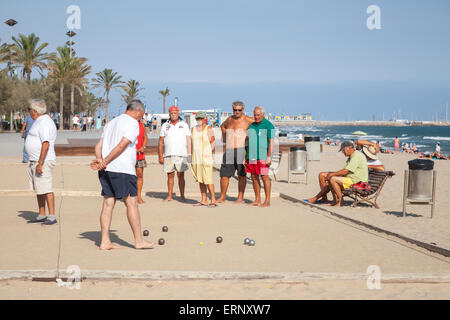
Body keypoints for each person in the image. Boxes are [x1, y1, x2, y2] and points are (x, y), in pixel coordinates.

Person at [91, 100, 154, 250]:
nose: (141, 118)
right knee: (131, 203)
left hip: (106, 169)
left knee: (108, 203)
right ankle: (139, 240)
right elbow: (122, 145)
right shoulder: (132, 123)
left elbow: (98, 145)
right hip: (122, 169)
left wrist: (101, 161)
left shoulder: (111, 122)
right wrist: (104, 160)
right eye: (142, 115)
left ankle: (105, 241)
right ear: (138, 111)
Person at [25, 99, 58, 225]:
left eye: (29, 110)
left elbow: (46, 144)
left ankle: (52, 216)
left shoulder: (44, 122)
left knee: (46, 188)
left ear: (34, 111)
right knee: (39, 188)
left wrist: (40, 163)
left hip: (43, 161)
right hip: (35, 160)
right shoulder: (40, 121)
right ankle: (42, 214)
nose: (29, 112)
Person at [308, 141, 368, 207]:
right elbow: (346, 171)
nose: (342, 152)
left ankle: (339, 200)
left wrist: (332, 174)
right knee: (322, 175)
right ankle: (325, 199)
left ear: (349, 148)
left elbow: (346, 171)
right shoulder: (352, 156)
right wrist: (332, 174)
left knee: (332, 178)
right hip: (351, 178)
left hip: (358, 182)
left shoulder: (356, 156)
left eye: (343, 150)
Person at [217, 101, 254, 203]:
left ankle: (240, 198)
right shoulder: (230, 119)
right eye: (235, 110)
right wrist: (225, 136)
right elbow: (222, 126)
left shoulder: (248, 119)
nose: (237, 111)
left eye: (239, 110)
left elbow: (260, 125)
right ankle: (222, 196)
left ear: (243, 110)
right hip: (229, 150)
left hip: (242, 150)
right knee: (224, 175)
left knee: (241, 175)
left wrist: (250, 138)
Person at [158, 106, 191, 202]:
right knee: (170, 175)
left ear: (178, 113)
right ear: (169, 114)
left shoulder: (184, 124)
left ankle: (182, 196)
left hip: (182, 154)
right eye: (171, 113)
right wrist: (160, 156)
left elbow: (189, 140)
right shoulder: (165, 125)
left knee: (181, 175)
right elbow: (160, 141)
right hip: (168, 154)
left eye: (175, 113)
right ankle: (169, 196)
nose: (173, 115)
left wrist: (190, 154)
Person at [246, 106, 275, 207]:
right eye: (255, 115)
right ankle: (257, 199)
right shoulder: (252, 125)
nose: (256, 117)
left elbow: (271, 142)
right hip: (252, 156)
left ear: (263, 114)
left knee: (264, 177)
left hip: (263, 157)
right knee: (254, 177)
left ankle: (267, 201)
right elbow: (248, 140)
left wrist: (269, 156)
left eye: (258, 115)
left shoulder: (269, 125)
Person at [190, 111, 216, 207]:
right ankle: (203, 199)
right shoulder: (193, 129)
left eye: (201, 118)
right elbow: (192, 144)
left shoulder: (208, 129)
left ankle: (213, 200)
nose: (199, 120)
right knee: (200, 180)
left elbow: (213, 143)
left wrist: (210, 155)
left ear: (205, 119)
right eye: (198, 118)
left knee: (208, 180)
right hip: (196, 158)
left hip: (206, 158)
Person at [136, 117, 148, 204]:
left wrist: (143, 147)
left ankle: (139, 196)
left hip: (140, 155)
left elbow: (145, 137)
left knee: (140, 175)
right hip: (128, 155)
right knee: (128, 176)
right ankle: (129, 196)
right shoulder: (126, 124)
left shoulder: (141, 125)